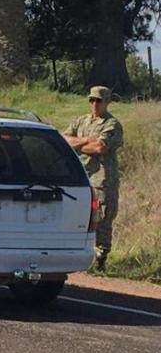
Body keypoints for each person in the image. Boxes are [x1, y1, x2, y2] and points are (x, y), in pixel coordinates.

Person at [62, 85, 124, 272]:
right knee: (78, 215)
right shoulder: (81, 121)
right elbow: (62, 139)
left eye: (99, 100)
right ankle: (79, 256)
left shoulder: (112, 124)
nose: (95, 104)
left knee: (103, 217)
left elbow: (99, 148)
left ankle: (100, 260)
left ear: (107, 102)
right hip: (82, 176)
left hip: (102, 178)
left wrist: (77, 144)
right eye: (92, 100)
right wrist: (85, 142)